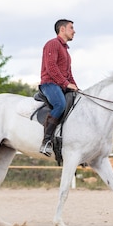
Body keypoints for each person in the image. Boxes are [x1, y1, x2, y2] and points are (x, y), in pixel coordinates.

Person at [39, 19, 79, 156]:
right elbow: (51, 68)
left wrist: (76, 87)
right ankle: (46, 142)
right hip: (49, 84)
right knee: (60, 104)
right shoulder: (52, 44)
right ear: (62, 29)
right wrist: (66, 84)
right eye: (71, 28)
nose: (74, 31)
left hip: (61, 85)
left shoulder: (65, 51)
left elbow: (69, 74)